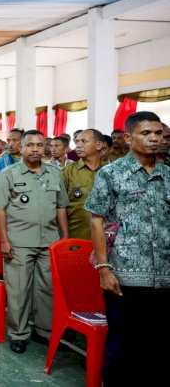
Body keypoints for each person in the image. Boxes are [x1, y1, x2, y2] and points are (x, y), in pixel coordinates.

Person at [84, 111, 170, 385]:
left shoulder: (168, 174)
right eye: (146, 133)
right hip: (125, 274)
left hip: (165, 273)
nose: (154, 139)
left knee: (157, 344)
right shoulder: (112, 174)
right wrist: (104, 268)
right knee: (124, 344)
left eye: (158, 133)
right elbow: (96, 222)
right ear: (128, 137)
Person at [0, 129, 68, 354]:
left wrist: (64, 238)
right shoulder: (8, 174)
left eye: (40, 145)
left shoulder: (54, 173)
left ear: (45, 147)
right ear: (22, 147)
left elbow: (61, 206)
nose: (35, 149)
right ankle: (19, 332)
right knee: (19, 290)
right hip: (19, 241)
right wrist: (4, 240)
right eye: (30, 145)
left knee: (48, 288)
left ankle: (43, 330)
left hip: (49, 241)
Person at [60, 129, 105, 240]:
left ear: (98, 145)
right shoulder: (67, 172)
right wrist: (64, 236)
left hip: (107, 238)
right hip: (76, 236)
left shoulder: (111, 172)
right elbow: (60, 207)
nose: (78, 146)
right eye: (77, 142)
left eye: (84, 141)